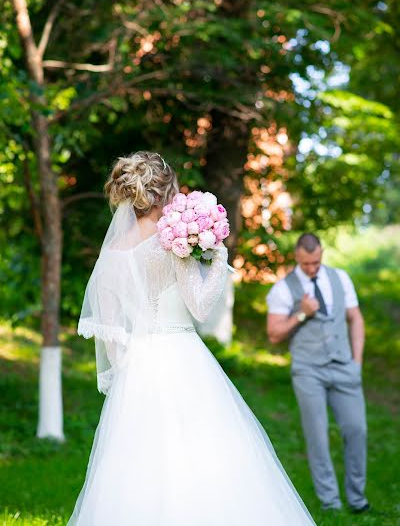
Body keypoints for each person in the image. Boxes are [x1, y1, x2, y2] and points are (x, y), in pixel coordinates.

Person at [67, 151, 317, 526]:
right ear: (166, 192)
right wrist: (218, 257)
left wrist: (128, 380)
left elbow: (113, 338)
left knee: (136, 468)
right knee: (205, 456)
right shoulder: (172, 241)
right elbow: (200, 307)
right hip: (182, 357)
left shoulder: (111, 256)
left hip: (138, 369)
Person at [267, 233, 368, 514]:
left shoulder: (341, 278)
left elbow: (355, 318)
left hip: (344, 366)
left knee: (356, 429)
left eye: (316, 262)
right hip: (308, 371)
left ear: (321, 255)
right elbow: (274, 334)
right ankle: (331, 503)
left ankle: (358, 499)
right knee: (318, 436)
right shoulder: (283, 289)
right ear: (297, 257)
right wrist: (301, 313)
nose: (312, 268)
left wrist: (356, 361)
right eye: (306, 263)